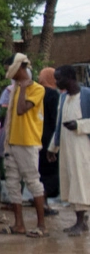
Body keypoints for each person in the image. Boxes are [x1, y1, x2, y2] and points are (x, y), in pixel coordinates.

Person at [1, 53, 48, 237]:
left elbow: (21, 110)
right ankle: (18, 224)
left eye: (10, 70)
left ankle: (41, 225)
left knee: (33, 182)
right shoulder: (14, 89)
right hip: (12, 142)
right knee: (12, 183)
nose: (8, 74)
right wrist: (19, 87)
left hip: (27, 142)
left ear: (19, 68)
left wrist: (22, 88)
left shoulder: (36, 89)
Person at [49, 66, 90, 236]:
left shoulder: (87, 95)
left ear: (70, 77)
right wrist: (53, 147)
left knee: (81, 184)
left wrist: (79, 125)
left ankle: (80, 223)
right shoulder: (63, 97)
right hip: (67, 147)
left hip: (83, 147)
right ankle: (81, 221)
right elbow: (59, 124)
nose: (56, 82)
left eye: (59, 79)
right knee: (72, 183)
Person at [37, 66, 61, 202]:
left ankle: (41, 199)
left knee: (40, 170)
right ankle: (44, 200)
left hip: (37, 135)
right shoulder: (53, 94)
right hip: (50, 137)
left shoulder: (37, 92)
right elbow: (56, 118)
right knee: (51, 171)